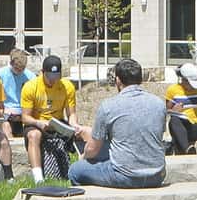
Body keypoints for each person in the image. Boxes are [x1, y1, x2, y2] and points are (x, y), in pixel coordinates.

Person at [69, 58, 166, 188]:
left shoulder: (109, 106)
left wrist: (83, 156)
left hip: (124, 176)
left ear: (118, 80)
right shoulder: (159, 104)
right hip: (157, 175)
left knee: (75, 170)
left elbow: (93, 149)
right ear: (140, 79)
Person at [16, 54, 77, 183]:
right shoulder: (30, 87)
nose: (53, 81)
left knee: (83, 132)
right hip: (36, 122)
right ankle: (38, 178)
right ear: (42, 72)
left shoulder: (67, 87)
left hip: (58, 122)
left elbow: (71, 114)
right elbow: (25, 117)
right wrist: (39, 122)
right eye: (49, 77)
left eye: (56, 77)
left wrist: (75, 125)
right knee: (34, 135)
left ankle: (80, 173)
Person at [0, 48, 36, 130]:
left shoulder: (31, 77)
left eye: (22, 69)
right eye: (17, 68)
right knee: (6, 128)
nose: (19, 71)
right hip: (5, 111)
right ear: (11, 63)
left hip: (24, 110)